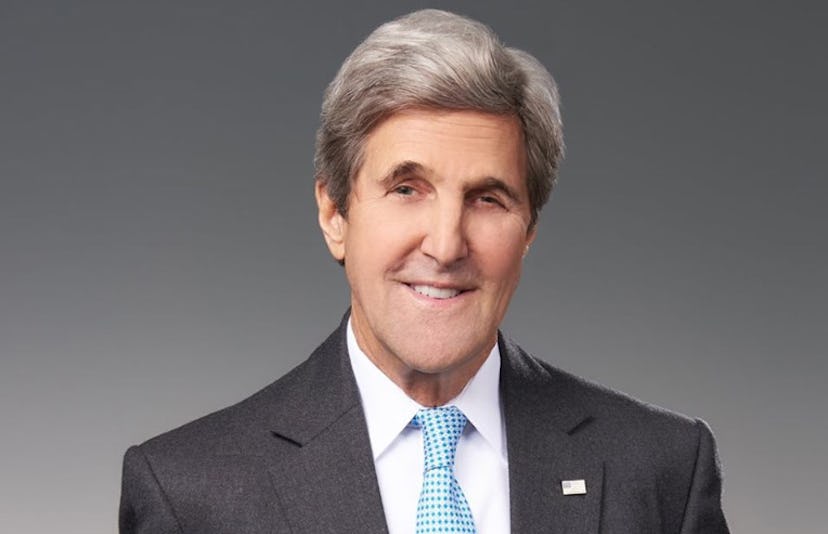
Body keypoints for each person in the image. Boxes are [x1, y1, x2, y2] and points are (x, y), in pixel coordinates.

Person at [119, 9, 729, 533]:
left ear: (530, 228)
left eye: (488, 198)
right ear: (335, 212)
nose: (445, 245)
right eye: (407, 189)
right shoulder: (190, 494)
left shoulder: (662, 470)